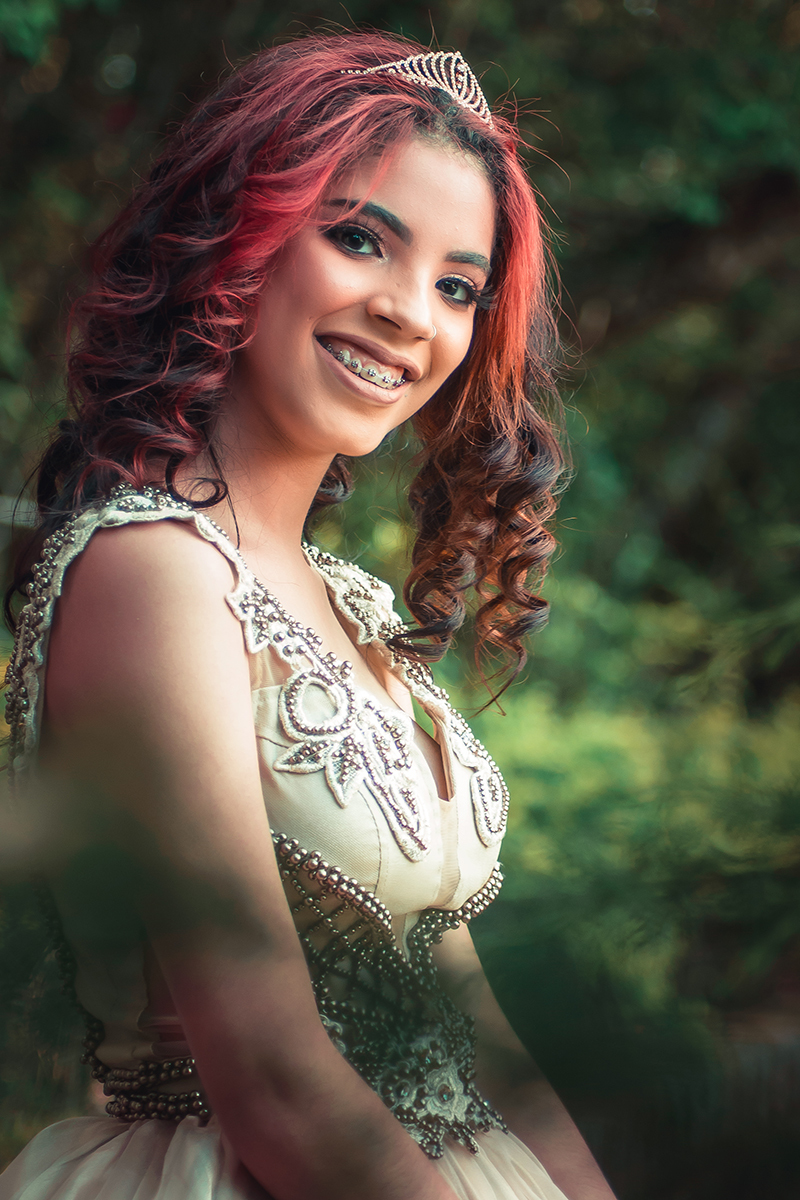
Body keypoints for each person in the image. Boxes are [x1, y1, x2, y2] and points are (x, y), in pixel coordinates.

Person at [0, 30, 616, 1200]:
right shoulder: (153, 573)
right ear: (240, 239)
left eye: (455, 286)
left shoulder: (354, 604)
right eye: (358, 239)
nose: (406, 314)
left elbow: (471, 1019)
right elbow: (275, 1080)